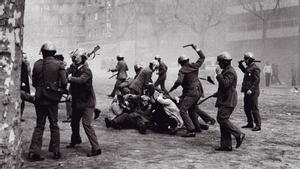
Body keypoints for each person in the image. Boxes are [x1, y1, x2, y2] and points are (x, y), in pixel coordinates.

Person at [28, 42, 67, 161]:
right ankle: (55, 151)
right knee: (54, 125)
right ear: (54, 53)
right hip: (52, 99)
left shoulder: (37, 64)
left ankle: (35, 152)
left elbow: (34, 82)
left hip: (39, 98)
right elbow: (64, 83)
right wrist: (59, 91)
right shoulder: (59, 64)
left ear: (43, 52)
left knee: (39, 125)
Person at [66, 48, 102, 157]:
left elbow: (80, 81)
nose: (74, 59)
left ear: (82, 59)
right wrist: (69, 93)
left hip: (87, 102)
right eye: (73, 57)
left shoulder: (86, 71)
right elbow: (73, 85)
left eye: (76, 57)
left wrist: (70, 78)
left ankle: (96, 148)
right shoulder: (76, 68)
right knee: (74, 122)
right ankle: (76, 139)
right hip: (78, 101)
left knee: (86, 124)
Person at [168, 45, 205, 137]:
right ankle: (197, 127)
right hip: (198, 91)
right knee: (192, 110)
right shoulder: (195, 66)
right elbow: (202, 57)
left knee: (183, 111)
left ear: (180, 63)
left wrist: (173, 88)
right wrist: (196, 48)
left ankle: (191, 130)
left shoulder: (182, 70)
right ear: (188, 60)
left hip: (190, 93)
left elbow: (179, 81)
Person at [214, 52, 245, 151]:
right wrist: (218, 93)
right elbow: (225, 86)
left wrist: (218, 75)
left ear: (225, 62)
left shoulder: (230, 71)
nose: (219, 64)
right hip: (225, 98)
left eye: (220, 62)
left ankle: (238, 134)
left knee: (222, 119)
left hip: (228, 99)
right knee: (223, 121)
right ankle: (226, 145)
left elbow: (225, 84)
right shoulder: (227, 70)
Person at [238, 52, 261, 131]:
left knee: (254, 108)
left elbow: (257, 80)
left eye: (245, 59)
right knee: (246, 108)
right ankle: (250, 123)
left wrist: (251, 89)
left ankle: (258, 125)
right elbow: (245, 71)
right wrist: (240, 64)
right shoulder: (249, 67)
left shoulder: (255, 68)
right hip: (247, 91)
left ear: (249, 60)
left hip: (253, 92)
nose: (245, 61)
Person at [20, 52, 31, 122]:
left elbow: (28, 74)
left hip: (23, 85)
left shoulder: (24, 65)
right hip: (21, 85)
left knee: (22, 101)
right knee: (21, 101)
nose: (25, 59)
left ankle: (20, 116)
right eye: (24, 58)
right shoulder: (21, 65)